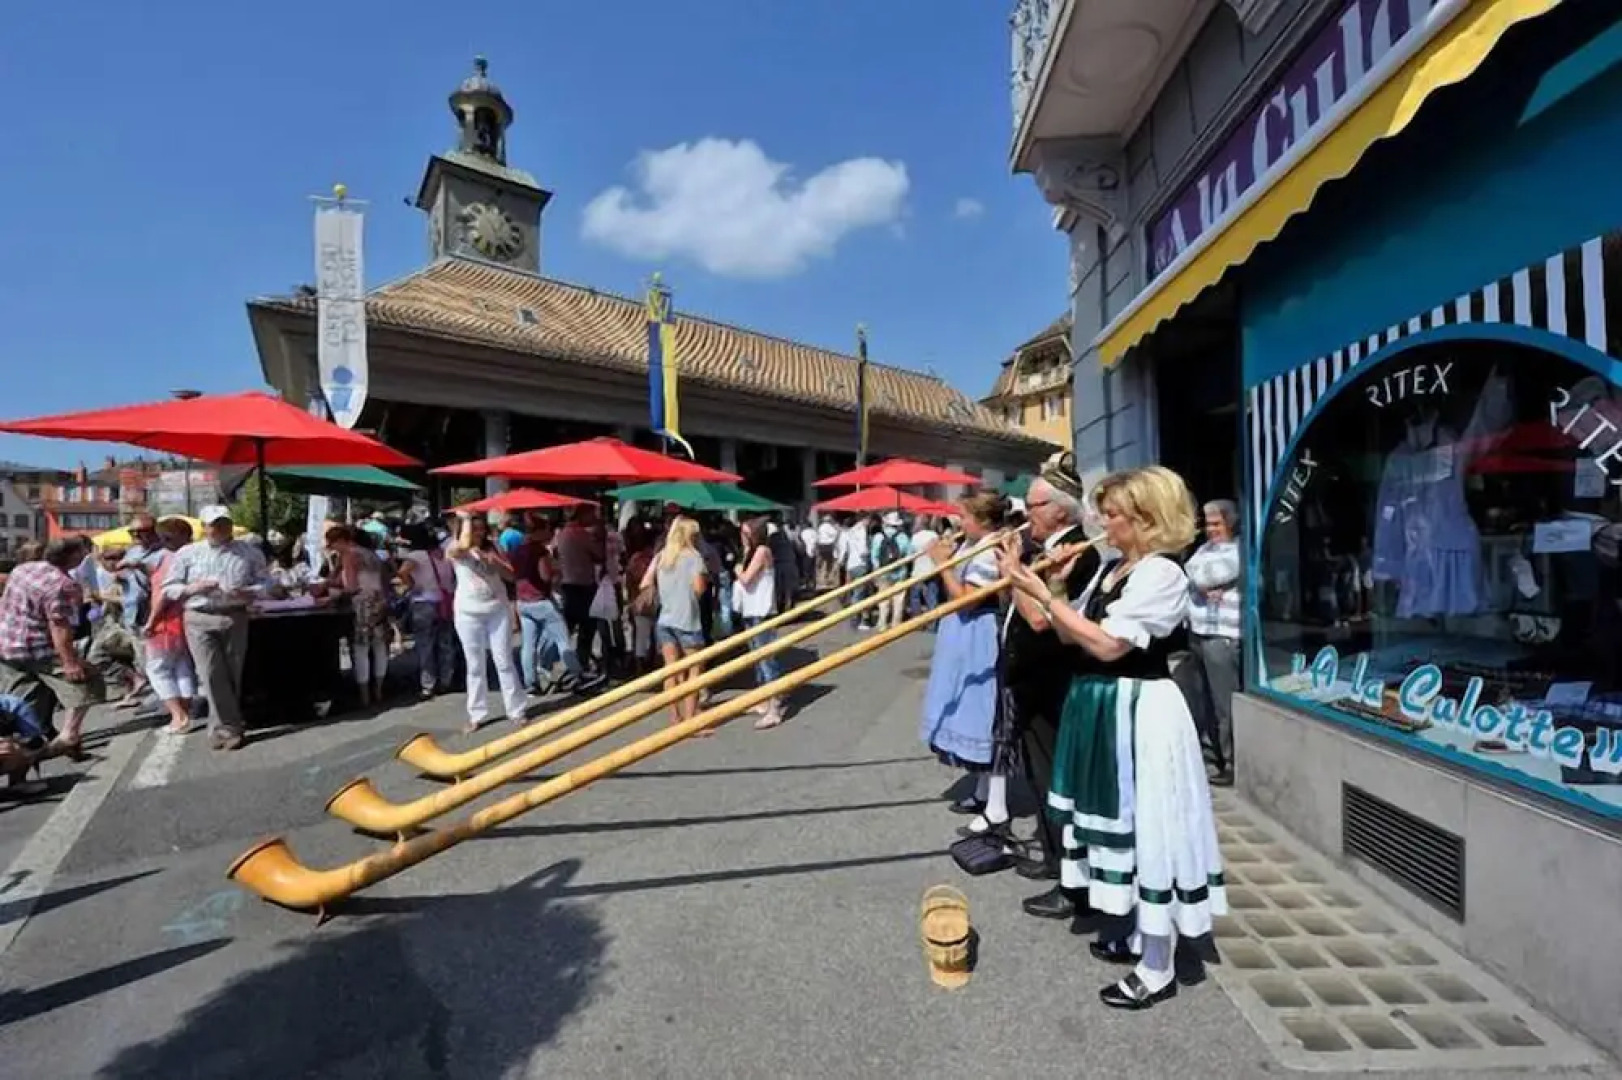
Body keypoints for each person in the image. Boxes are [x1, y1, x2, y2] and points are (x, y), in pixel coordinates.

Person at [1001, 466, 1226, 1011]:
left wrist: (1041, 594)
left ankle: (1158, 965)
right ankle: (1134, 932)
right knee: (1118, 822)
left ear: (1146, 518)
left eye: (1115, 513)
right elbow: (1063, 631)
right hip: (1105, 707)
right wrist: (1044, 584)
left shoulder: (1162, 574)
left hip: (1142, 710)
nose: (1103, 520)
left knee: (1150, 827)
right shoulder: (1112, 568)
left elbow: (1107, 645)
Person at [998, 460, 1102, 918]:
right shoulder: (1047, 548)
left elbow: (1042, 617)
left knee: (1057, 780)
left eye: (1033, 505)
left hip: (1055, 685)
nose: (1026, 513)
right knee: (1039, 778)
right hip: (1032, 680)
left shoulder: (1081, 552)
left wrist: (1014, 572)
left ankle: (1071, 881)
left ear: (1060, 512)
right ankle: (1051, 855)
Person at [919, 490, 1009, 813]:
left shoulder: (988, 550)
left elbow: (967, 600)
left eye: (965, 517)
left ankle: (993, 802)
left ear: (983, 521)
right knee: (967, 708)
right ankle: (983, 791)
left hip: (978, 632)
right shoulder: (972, 544)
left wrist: (943, 565)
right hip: (962, 631)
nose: (959, 522)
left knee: (981, 712)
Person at [161, 506, 273, 751]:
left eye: (224, 523)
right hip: (199, 616)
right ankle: (229, 727)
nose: (220, 528)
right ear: (204, 527)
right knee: (210, 673)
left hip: (234, 615)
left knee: (232, 673)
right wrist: (193, 588)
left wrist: (248, 592)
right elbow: (169, 588)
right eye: (214, 524)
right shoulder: (188, 553)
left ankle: (222, 726)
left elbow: (267, 583)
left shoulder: (250, 552)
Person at [0, 537, 105, 766]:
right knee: (87, 681)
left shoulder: (23, 569)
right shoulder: (61, 584)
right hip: (37, 649)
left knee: (25, 707)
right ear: (73, 556)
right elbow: (60, 627)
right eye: (81, 553)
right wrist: (70, 663)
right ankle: (69, 735)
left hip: (7, 646)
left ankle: (21, 773)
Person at [446, 512, 527, 733]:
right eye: (474, 528)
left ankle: (516, 710)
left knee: (504, 660)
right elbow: (460, 547)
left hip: (496, 610)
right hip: (468, 612)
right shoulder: (454, 548)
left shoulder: (494, 548)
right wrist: (465, 520)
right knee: (474, 665)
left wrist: (494, 562)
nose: (478, 532)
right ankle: (476, 714)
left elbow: (511, 576)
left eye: (481, 528)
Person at [1180, 499, 1242, 786]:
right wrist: (1199, 582)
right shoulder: (1205, 550)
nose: (1211, 529)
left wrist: (1199, 580)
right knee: (1203, 700)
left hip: (1222, 635)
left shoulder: (1240, 549)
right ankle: (1211, 756)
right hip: (1199, 631)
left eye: (1216, 523)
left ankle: (1230, 762)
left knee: (1223, 704)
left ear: (1230, 522)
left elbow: (1212, 574)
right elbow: (1188, 575)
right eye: (1207, 523)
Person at [642, 516, 709, 727]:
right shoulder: (693, 557)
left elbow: (645, 582)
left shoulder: (662, 556)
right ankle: (690, 720)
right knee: (695, 670)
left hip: (665, 618)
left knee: (670, 669)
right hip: (687, 619)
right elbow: (699, 588)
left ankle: (674, 716)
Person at [512, 514, 584, 697]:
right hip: (541, 601)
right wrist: (556, 572)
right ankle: (576, 675)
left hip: (523, 601)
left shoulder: (518, 550)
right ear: (540, 531)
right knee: (562, 640)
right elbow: (545, 576)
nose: (550, 533)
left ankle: (531, 683)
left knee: (528, 644)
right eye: (547, 530)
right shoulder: (540, 551)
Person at [142, 517, 201, 736]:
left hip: (167, 622)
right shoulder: (196, 555)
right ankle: (185, 710)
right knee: (182, 666)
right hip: (187, 618)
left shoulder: (169, 559)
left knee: (157, 669)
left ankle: (179, 716)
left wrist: (151, 621)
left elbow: (163, 595)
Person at [327, 525, 391, 707]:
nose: (332, 548)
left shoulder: (349, 555)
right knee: (380, 647)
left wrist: (330, 594)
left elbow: (351, 586)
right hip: (380, 602)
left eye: (332, 544)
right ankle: (378, 689)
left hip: (362, 605)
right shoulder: (371, 554)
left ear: (340, 541)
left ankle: (364, 695)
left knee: (360, 650)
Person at [733, 518, 786, 729]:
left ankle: (774, 707)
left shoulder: (762, 551)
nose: (743, 538)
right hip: (751, 609)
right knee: (756, 657)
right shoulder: (751, 552)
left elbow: (746, 578)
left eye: (746, 534)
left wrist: (737, 568)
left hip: (761, 611)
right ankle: (764, 700)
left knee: (766, 658)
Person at [397, 523, 457, 700]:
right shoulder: (443, 553)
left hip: (424, 602)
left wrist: (412, 585)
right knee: (445, 644)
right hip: (445, 602)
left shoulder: (416, 555)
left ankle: (428, 685)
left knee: (425, 645)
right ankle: (447, 680)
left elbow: (403, 572)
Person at [868, 512, 913, 631]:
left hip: (883, 572)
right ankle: (896, 624)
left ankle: (882, 623)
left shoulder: (878, 537)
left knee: (883, 599)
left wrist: (877, 569)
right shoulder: (903, 537)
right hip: (900, 572)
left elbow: (874, 556)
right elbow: (909, 555)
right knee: (898, 599)